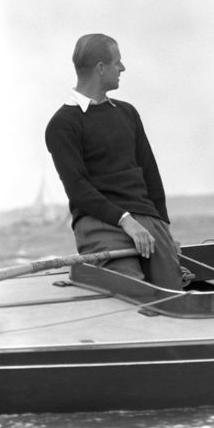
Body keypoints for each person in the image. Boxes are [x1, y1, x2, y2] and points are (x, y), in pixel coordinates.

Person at [44, 33, 184, 289]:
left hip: (146, 220)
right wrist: (125, 220)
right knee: (134, 291)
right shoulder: (62, 125)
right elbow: (78, 189)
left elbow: (150, 174)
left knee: (173, 291)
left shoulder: (128, 113)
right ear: (100, 68)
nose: (123, 68)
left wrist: (163, 228)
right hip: (100, 223)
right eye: (117, 62)